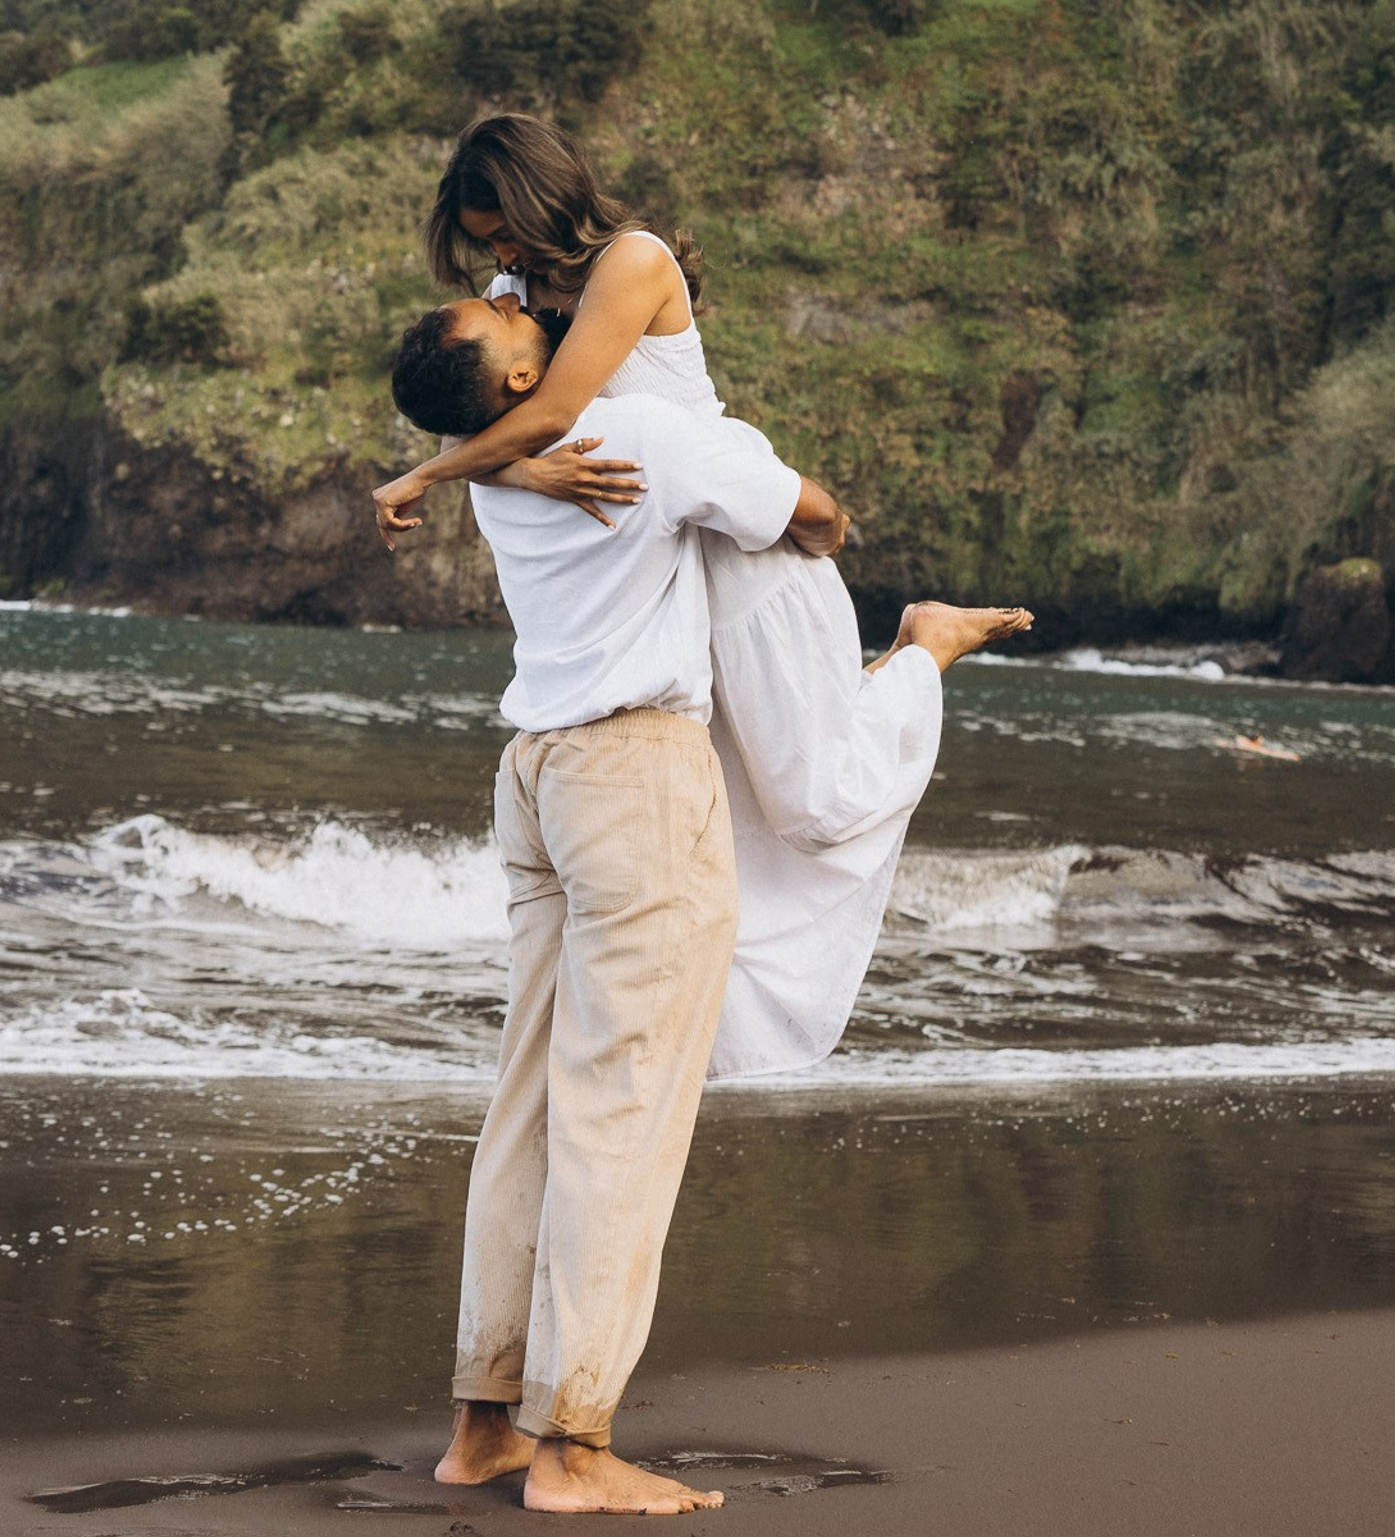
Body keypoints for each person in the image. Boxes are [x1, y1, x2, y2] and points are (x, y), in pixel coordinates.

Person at [375, 113, 1028, 1077]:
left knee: (809, 803)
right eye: (484, 243)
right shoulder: (514, 301)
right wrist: (519, 475)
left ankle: (921, 649)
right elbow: (478, 427)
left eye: (502, 230)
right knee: (736, 817)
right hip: (658, 580)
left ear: (542, 194)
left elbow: (546, 415)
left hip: (739, 544)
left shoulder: (631, 264)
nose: (498, 258)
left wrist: (433, 481)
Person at [386, 286, 831, 1515]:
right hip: (632, 771)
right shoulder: (638, 436)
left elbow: (496, 432)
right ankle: (574, 1445)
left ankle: (482, 1423)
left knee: (527, 1100)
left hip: (531, 771)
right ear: (522, 378)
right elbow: (817, 515)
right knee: (618, 1112)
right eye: (508, 315)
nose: (531, 307)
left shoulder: (499, 468)